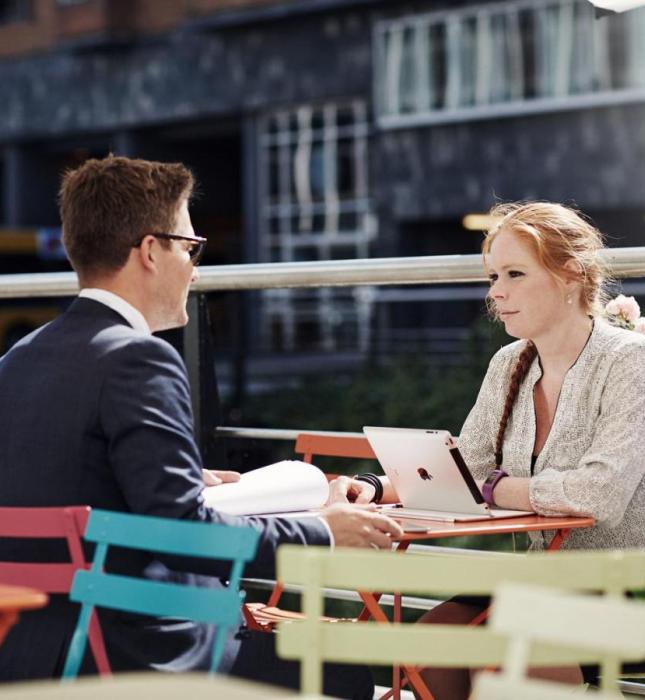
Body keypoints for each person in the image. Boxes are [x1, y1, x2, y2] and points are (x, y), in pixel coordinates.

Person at [0, 155, 401, 695]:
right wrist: (324, 531)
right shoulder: (137, 359)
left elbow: (63, 481)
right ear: (149, 251)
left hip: (26, 648)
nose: (195, 267)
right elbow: (181, 532)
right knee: (346, 676)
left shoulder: (19, 358)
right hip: (132, 653)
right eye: (191, 248)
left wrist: (185, 477)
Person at [334, 201, 645, 698]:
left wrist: (500, 488)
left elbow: (599, 495)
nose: (497, 292)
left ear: (572, 274)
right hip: (556, 581)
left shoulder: (631, 360)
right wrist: (373, 487)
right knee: (429, 645)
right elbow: (466, 465)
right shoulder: (509, 362)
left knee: (513, 657)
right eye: (493, 276)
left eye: (515, 274)